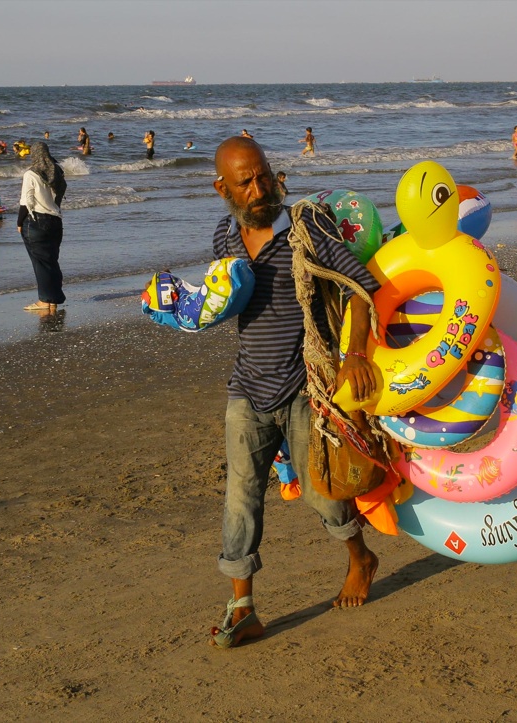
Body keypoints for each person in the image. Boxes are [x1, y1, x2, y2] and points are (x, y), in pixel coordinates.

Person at [206, 136, 382, 649]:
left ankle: (361, 558)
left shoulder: (307, 233)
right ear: (224, 189)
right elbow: (224, 298)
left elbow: (361, 287)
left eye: (263, 175)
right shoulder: (224, 238)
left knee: (322, 494)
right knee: (241, 498)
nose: (260, 188)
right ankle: (243, 607)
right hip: (247, 387)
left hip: (305, 385)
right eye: (246, 182)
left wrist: (353, 355)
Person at [17, 142, 67, 313]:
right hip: (55, 220)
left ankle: (45, 300)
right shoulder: (57, 171)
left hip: (36, 221)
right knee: (51, 261)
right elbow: (59, 194)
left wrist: (18, 222)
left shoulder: (31, 173)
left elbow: (26, 201)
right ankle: (54, 298)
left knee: (40, 263)